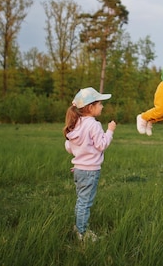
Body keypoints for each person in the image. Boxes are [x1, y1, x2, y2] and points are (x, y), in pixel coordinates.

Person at [64, 87, 117, 242]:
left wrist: (80, 159)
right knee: (85, 203)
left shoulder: (76, 123)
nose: (102, 106)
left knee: (81, 200)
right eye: (100, 103)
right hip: (90, 171)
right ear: (90, 107)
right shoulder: (94, 124)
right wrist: (110, 131)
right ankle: (82, 232)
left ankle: (78, 226)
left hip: (79, 169)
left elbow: (69, 146)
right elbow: (101, 145)